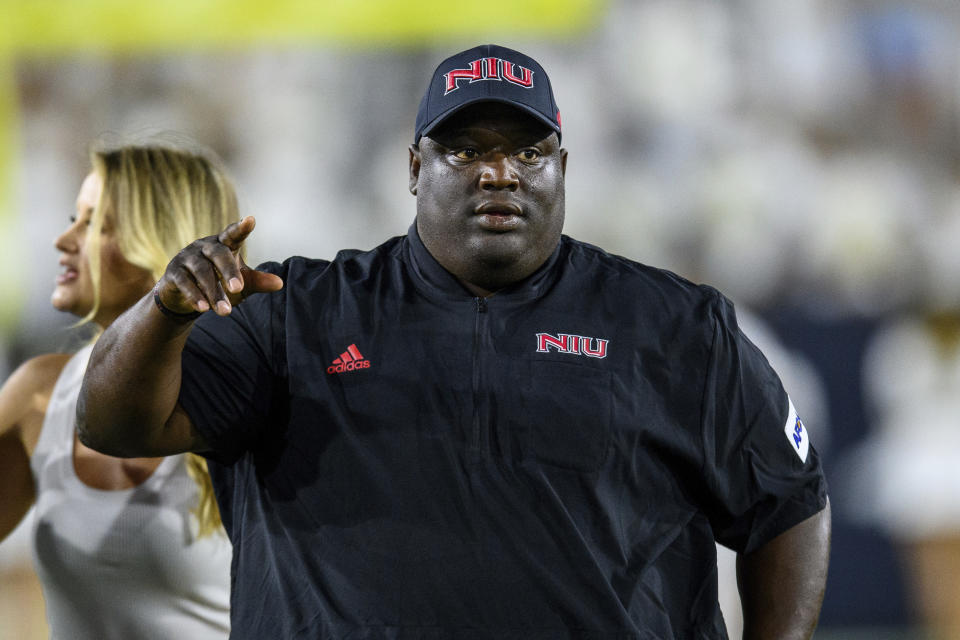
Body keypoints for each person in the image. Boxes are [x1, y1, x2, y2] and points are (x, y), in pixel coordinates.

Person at [78, 45, 831, 639]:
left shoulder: (674, 323)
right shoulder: (292, 312)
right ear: (414, 169)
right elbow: (109, 423)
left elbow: (790, 504)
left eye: (529, 153)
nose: (500, 171)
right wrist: (166, 311)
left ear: (563, 169)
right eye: (465, 151)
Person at [0, 144, 235, 639]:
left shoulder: (245, 395)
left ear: (163, 245)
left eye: (93, 224)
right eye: (73, 218)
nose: (64, 239)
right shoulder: (41, 395)